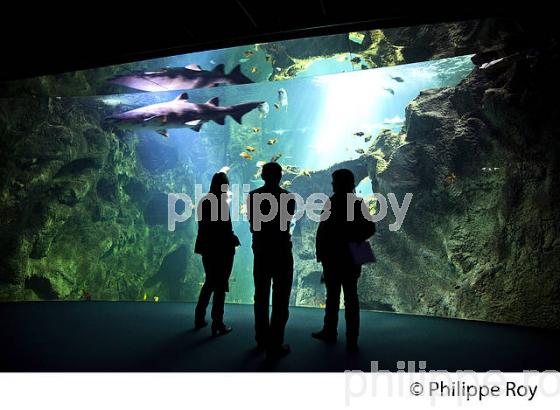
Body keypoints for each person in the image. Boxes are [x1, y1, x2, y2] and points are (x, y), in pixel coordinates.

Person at [313, 169, 376, 351]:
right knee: (351, 296)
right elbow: (370, 229)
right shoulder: (357, 203)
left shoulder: (331, 202)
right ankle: (352, 337)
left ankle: (329, 331)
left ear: (340, 183)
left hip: (332, 256)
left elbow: (322, 230)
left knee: (333, 296)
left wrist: (321, 253)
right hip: (352, 256)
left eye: (334, 181)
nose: (332, 184)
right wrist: (354, 239)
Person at [247, 162, 296, 358]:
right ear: (281, 176)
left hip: (261, 250)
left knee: (260, 296)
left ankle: (261, 339)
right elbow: (285, 222)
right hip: (282, 251)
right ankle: (275, 343)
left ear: (262, 175)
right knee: (281, 298)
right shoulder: (288, 198)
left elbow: (253, 225)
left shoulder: (253, 196)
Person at [194, 172, 240, 336]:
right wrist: (233, 239)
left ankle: (199, 317)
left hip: (207, 249)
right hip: (221, 250)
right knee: (220, 285)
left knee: (210, 282)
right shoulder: (220, 203)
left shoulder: (203, 201)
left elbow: (205, 227)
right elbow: (224, 229)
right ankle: (217, 322)